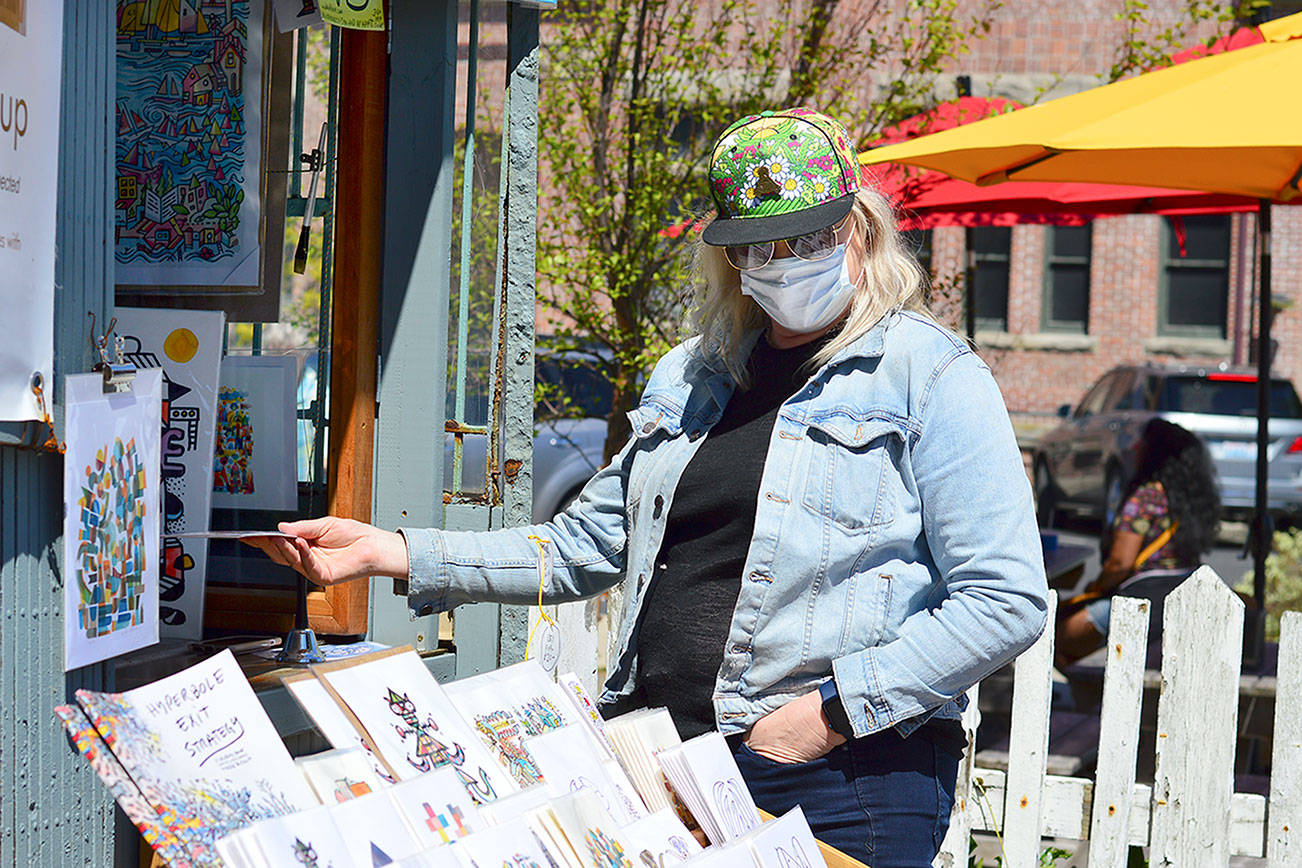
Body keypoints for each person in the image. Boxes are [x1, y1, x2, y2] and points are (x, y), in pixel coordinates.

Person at [252, 107, 1048, 867]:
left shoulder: (933, 377)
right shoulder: (696, 373)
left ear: (860, 229)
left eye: (807, 237)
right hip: (666, 764)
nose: (782, 262)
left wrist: (827, 717)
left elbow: (1002, 600)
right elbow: (580, 547)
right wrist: (391, 551)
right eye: (758, 247)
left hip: (841, 779)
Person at [1056, 418, 1221, 666]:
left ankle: (1082, 699)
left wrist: (1096, 586)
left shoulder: (1144, 497)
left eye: (1141, 442)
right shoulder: (1191, 500)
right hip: (1181, 597)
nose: (1134, 448)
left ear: (1153, 452)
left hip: (1137, 601)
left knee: (1060, 637)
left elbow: (1120, 564)